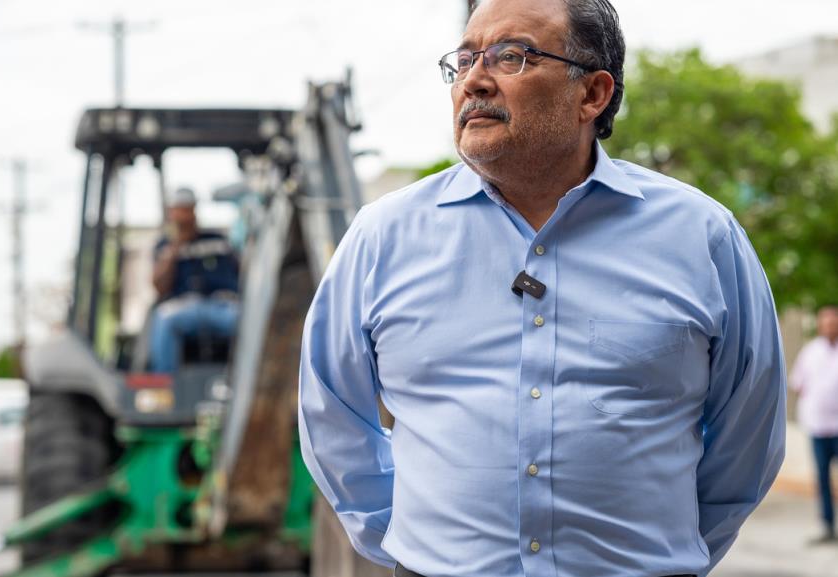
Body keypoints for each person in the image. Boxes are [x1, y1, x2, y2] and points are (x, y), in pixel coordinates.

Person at [297, 1, 786, 576]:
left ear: (593, 95)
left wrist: (659, 554)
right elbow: (331, 411)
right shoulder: (383, 236)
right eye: (463, 60)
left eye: (512, 56)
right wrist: (411, 542)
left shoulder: (702, 237)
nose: (475, 81)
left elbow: (747, 432)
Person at [148, 187, 240, 374]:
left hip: (222, 306)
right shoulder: (164, 247)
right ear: (171, 214)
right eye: (178, 211)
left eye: (187, 210)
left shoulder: (218, 240)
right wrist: (176, 246)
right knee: (165, 320)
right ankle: (165, 385)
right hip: (184, 308)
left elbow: (240, 274)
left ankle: (245, 380)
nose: (184, 217)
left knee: (247, 320)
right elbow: (159, 286)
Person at [791, 305, 838, 545]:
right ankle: (827, 526)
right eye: (826, 322)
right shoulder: (810, 351)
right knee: (822, 479)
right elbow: (797, 383)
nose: (830, 326)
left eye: (834, 322)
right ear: (820, 325)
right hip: (818, 427)